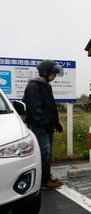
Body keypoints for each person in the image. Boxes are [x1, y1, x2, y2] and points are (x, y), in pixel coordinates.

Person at [23, 59, 64, 189]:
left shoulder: (46, 86)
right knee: (43, 152)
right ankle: (43, 181)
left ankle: (46, 176)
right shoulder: (33, 87)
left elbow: (50, 107)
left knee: (47, 152)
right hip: (40, 126)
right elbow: (35, 110)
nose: (55, 76)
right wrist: (46, 123)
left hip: (47, 125)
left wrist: (55, 122)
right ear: (46, 72)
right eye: (53, 73)